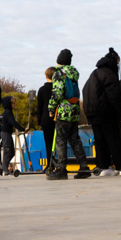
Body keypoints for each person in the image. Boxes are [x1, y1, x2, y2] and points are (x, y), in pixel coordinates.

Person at [83, 48, 121, 176]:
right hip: (105, 111)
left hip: (92, 111)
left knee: (100, 140)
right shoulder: (109, 74)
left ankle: (103, 167)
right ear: (114, 61)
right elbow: (114, 95)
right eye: (118, 62)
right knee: (113, 138)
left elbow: (86, 90)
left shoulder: (95, 73)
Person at [47, 49, 91, 180]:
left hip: (63, 110)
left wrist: (51, 108)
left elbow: (57, 93)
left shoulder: (58, 73)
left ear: (58, 61)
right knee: (75, 139)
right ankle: (84, 167)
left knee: (60, 140)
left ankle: (61, 169)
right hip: (75, 109)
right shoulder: (74, 73)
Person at [0, 96, 26, 174]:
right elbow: (13, 122)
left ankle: (2, 167)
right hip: (6, 134)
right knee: (8, 151)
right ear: (9, 104)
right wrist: (22, 129)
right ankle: (5, 169)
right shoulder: (8, 112)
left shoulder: (7, 112)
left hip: (7, 133)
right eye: (13, 103)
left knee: (12, 152)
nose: (14, 105)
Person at [36, 67, 56, 171]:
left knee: (48, 143)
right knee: (59, 143)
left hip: (46, 120)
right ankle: (60, 163)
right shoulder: (58, 89)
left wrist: (39, 121)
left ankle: (49, 164)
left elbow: (39, 107)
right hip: (58, 118)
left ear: (46, 76)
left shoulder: (42, 90)